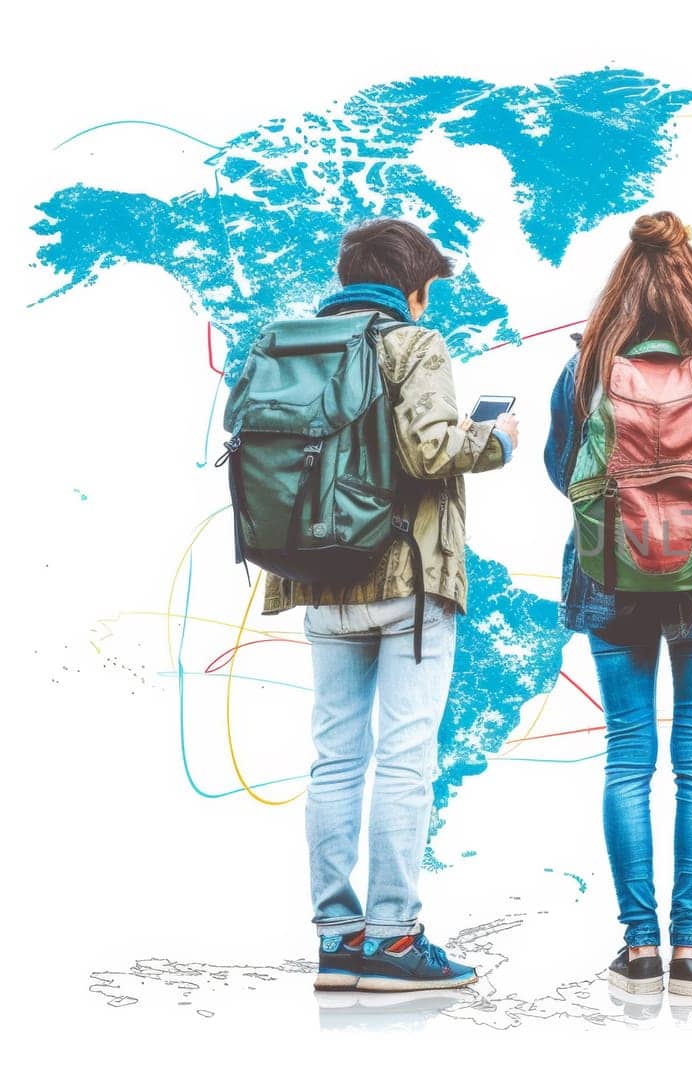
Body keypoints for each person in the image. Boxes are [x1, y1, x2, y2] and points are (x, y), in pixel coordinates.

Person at [260, 219, 519, 991]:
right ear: (413, 286)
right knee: (404, 761)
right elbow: (432, 448)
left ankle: (339, 941)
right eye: (429, 288)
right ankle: (395, 940)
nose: (427, 300)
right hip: (405, 583)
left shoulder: (289, 343)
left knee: (335, 759)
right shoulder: (414, 345)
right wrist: (495, 437)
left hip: (315, 579)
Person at [543, 211, 692, 998]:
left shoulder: (587, 364)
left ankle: (638, 947)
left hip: (611, 578)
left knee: (628, 758)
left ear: (621, 285)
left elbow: (559, 466)